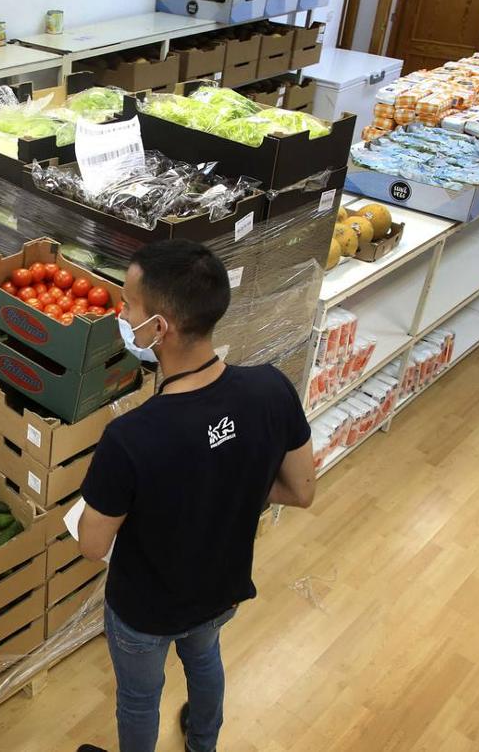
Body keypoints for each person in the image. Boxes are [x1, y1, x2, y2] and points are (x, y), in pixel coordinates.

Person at [75, 240, 316, 752]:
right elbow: (303, 490)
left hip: (146, 608)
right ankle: (202, 744)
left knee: (141, 698)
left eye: (127, 305)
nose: (120, 314)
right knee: (204, 657)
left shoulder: (132, 437)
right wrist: (230, 481)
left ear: (158, 327)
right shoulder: (272, 389)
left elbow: (92, 545)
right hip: (220, 587)